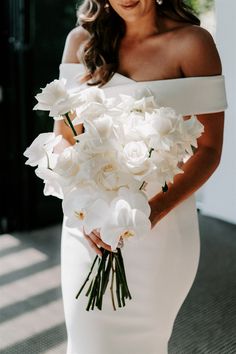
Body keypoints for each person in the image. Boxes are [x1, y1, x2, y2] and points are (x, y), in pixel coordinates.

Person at [54, 0, 228, 353]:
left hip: (159, 224)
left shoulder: (193, 44)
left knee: (144, 343)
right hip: (86, 227)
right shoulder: (80, 42)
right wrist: (87, 213)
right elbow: (64, 139)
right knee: (87, 341)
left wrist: (149, 213)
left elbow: (208, 149)